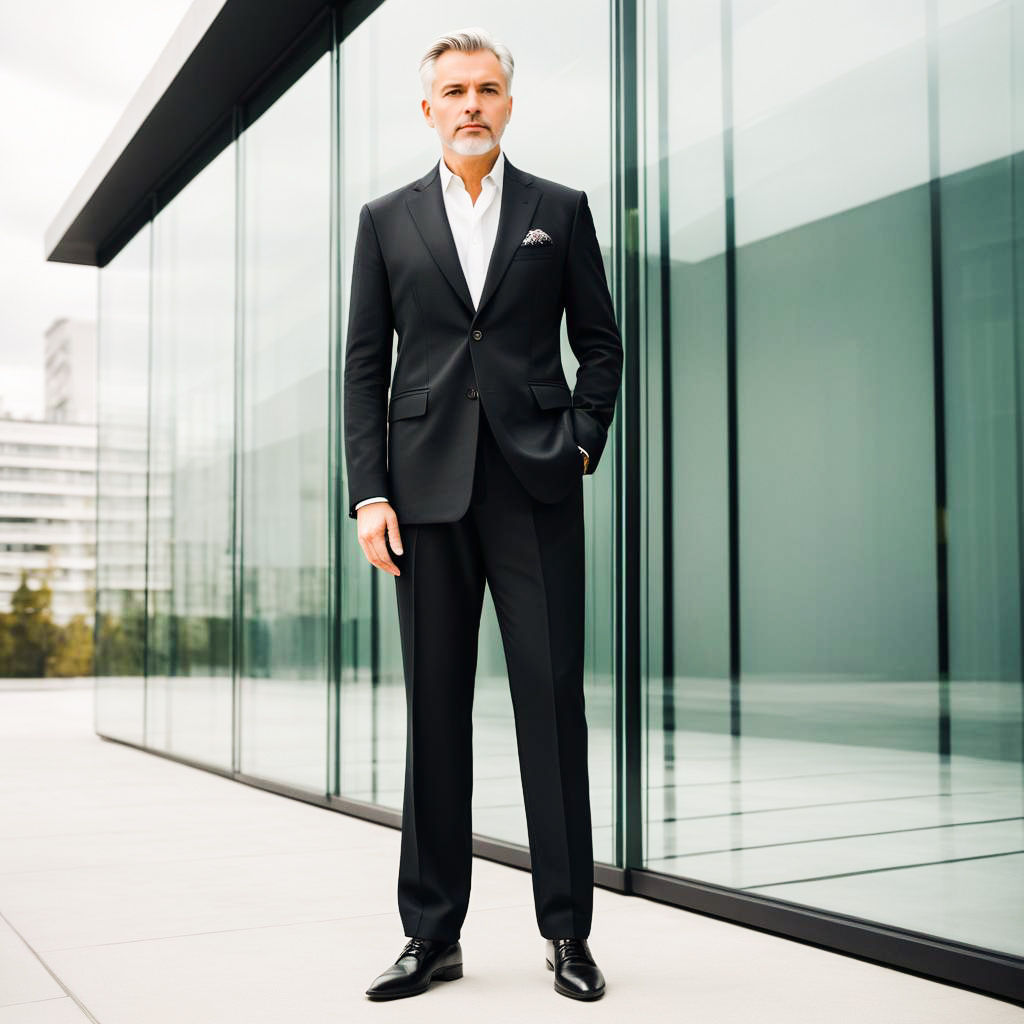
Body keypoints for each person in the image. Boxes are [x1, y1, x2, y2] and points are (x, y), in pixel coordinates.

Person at [343, 26, 623, 1003]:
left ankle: (568, 934)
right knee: (435, 715)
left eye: (488, 89)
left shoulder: (560, 210)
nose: (471, 104)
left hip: (535, 486)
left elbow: (601, 344)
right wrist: (369, 491)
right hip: (421, 499)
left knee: (551, 708)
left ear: (509, 103)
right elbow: (365, 365)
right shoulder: (384, 221)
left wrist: (580, 440)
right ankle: (431, 935)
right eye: (454, 90)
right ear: (428, 108)